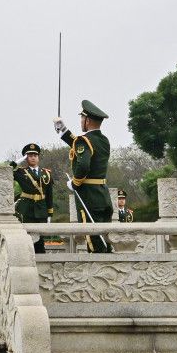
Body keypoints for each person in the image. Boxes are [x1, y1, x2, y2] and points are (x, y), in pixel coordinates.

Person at [53, 99, 113, 253]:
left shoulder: (84, 141)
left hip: (88, 196)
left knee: (94, 242)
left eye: (82, 118)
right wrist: (63, 130)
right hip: (102, 194)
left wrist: (75, 183)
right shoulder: (103, 140)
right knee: (105, 240)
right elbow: (82, 144)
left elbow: (84, 164)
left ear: (87, 120)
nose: (80, 121)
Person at [9, 143, 53, 253]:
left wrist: (50, 213)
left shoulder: (46, 173)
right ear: (26, 158)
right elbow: (6, 172)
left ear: (38, 157)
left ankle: (41, 261)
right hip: (26, 208)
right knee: (26, 237)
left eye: (35, 155)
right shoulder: (20, 172)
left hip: (41, 209)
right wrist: (15, 163)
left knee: (40, 239)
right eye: (30, 156)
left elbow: (49, 194)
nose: (33, 158)